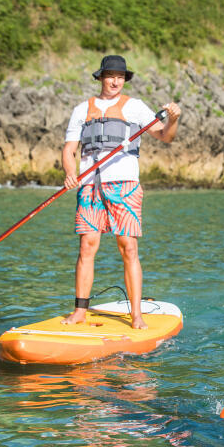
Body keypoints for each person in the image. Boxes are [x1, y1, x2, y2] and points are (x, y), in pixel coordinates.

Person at [61, 54, 181, 329]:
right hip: (90, 186)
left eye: (120, 77)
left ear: (124, 80)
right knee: (87, 247)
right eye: (110, 76)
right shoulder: (82, 109)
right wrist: (70, 173)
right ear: (101, 78)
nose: (115, 81)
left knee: (128, 248)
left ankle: (136, 315)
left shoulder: (136, 107)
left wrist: (173, 119)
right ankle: (80, 311)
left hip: (124, 186)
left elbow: (165, 136)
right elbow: (69, 150)